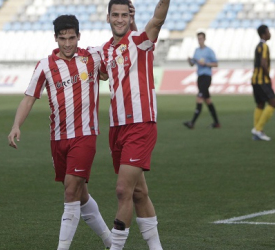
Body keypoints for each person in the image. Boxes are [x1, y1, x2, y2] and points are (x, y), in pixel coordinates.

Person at [7, 14, 129, 250]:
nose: (67, 43)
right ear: (56, 39)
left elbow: (111, 65)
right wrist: (16, 125)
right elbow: (29, 98)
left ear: (78, 37)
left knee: (71, 191)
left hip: (85, 135)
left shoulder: (91, 57)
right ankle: (109, 241)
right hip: (58, 139)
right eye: (62, 39)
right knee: (80, 194)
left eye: (71, 38)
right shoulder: (45, 65)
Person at [98, 0, 170, 249]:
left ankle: (115, 246)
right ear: (108, 18)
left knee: (122, 190)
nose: (119, 19)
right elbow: (99, 72)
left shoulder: (141, 42)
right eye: (114, 15)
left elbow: (158, 19)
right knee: (138, 193)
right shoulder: (104, 51)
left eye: (124, 15)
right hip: (116, 127)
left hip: (141, 124)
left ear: (131, 17)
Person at [183, 31, 220, 129]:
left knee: (199, 98)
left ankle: (192, 123)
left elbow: (216, 64)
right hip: (200, 77)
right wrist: (189, 61)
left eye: (201, 38)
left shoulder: (209, 51)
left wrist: (206, 64)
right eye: (198, 39)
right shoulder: (196, 51)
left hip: (206, 76)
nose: (199, 40)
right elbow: (193, 64)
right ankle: (217, 123)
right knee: (207, 100)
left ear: (204, 39)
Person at [250, 25, 275, 141]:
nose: (270, 33)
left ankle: (257, 132)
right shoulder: (264, 46)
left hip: (255, 79)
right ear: (263, 34)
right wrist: (268, 77)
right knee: (273, 103)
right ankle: (258, 129)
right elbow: (263, 63)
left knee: (260, 104)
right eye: (268, 32)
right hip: (262, 80)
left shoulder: (258, 46)